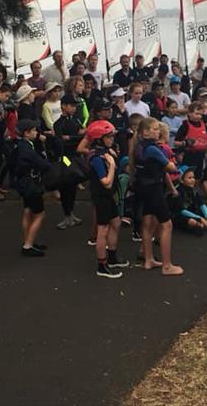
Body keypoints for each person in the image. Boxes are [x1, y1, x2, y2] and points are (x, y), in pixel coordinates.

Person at [131, 117, 183, 275]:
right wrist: (176, 162)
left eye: (158, 128)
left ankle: (148, 259)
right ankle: (167, 266)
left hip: (142, 187)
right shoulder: (153, 149)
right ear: (145, 132)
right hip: (154, 188)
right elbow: (171, 167)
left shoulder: (138, 146)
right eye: (154, 129)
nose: (158, 131)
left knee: (147, 222)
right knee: (166, 225)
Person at [86, 120, 129, 278]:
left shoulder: (106, 152)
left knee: (116, 222)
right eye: (108, 137)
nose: (112, 140)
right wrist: (111, 165)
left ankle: (111, 256)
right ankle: (101, 265)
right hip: (102, 196)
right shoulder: (98, 158)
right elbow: (106, 182)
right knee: (102, 230)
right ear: (99, 139)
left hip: (108, 196)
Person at [13, 119, 52, 257]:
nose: (36, 133)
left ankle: (29, 239)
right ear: (26, 133)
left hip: (23, 183)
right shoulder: (27, 149)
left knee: (28, 211)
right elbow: (43, 164)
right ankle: (28, 245)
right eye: (34, 130)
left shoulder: (20, 145)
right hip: (31, 184)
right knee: (40, 214)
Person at [53, 94, 85, 230]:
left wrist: (71, 138)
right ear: (63, 106)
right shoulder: (59, 123)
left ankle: (71, 213)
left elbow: (81, 136)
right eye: (71, 105)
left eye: (74, 106)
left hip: (75, 156)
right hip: (65, 158)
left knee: (73, 185)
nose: (73, 108)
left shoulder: (75, 120)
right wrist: (75, 138)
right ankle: (66, 214)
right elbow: (61, 142)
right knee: (65, 184)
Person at [169, 166, 207, 234]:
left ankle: (206, 223)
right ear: (181, 180)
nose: (193, 180)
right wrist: (200, 218)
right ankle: (200, 224)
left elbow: (201, 204)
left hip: (192, 211)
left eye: (193, 177)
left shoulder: (193, 190)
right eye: (189, 178)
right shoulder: (178, 192)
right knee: (191, 221)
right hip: (180, 215)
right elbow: (182, 211)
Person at [175, 101, 207, 173]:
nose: (199, 116)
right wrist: (185, 143)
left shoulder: (203, 125)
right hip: (188, 156)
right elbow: (175, 143)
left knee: (199, 177)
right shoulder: (185, 126)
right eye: (196, 114)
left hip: (201, 156)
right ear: (189, 113)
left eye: (201, 114)